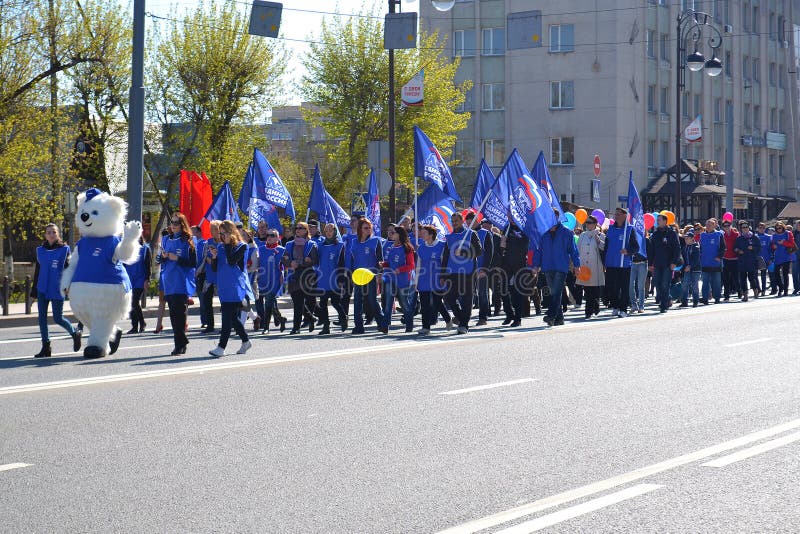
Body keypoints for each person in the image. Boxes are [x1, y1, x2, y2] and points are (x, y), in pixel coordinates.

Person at [31, 223, 82, 358]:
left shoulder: (64, 250)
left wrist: (68, 286)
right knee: (42, 319)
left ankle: (75, 333)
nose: (51, 234)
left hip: (57, 289)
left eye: (54, 232)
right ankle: (46, 347)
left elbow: (68, 270)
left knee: (58, 318)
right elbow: (37, 272)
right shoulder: (40, 251)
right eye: (49, 232)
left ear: (58, 234)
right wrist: (33, 293)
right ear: (45, 235)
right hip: (42, 288)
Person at [208, 221, 253, 357]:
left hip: (235, 287)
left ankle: (221, 347)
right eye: (220, 234)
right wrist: (215, 257)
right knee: (233, 318)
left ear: (231, 232)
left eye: (224, 233)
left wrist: (227, 245)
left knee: (226, 317)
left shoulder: (242, 246)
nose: (221, 236)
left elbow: (233, 261)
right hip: (224, 287)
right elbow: (215, 268)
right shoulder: (221, 246)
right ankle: (246, 341)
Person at [533, 210, 581, 326]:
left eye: (553, 217)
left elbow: (574, 251)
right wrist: (536, 265)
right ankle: (559, 318)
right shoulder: (543, 233)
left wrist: (577, 265)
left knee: (557, 291)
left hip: (561, 266)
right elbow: (538, 251)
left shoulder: (567, 233)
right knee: (554, 292)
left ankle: (551, 315)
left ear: (558, 218)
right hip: (547, 266)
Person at [160, 213, 196, 355]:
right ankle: (182, 342)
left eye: (176, 223)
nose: (173, 225)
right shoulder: (165, 239)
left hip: (181, 282)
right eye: (172, 222)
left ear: (182, 224)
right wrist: (163, 257)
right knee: (173, 316)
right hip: (169, 281)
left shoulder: (188, 241)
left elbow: (193, 263)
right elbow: (159, 260)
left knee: (180, 315)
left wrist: (177, 258)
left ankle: (179, 344)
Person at [441, 212, 483, 334]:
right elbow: (446, 257)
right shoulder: (449, 237)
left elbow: (479, 251)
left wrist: (464, 252)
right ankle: (460, 317)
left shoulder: (471, 234)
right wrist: (443, 274)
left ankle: (464, 325)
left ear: (462, 221)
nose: (454, 223)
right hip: (452, 272)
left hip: (468, 272)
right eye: (452, 221)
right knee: (449, 297)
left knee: (467, 299)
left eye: (456, 221)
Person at [349, 218, 387, 334]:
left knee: (371, 300)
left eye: (370, 227)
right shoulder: (354, 242)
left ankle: (382, 324)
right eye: (366, 228)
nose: (369, 230)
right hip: (358, 275)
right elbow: (352, 259)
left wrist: (380, 274)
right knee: (357, 301)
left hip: (371, 275)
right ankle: (358, 326)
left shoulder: (376, 241)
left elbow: (381, 260)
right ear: (360, 229)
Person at [282, 221, 319, 334]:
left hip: (308, 275)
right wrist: (290, 262)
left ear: (306, 230)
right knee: (297, 302)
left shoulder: (311, 244)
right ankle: (296, 326)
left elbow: (315, 260)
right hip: (294, 275)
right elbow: (284, 259)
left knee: (310, 300)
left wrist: (301, 263)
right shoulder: (289, 244)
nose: (298, 229)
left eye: (301, 228)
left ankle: (309, 319)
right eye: (296, 228)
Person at [604, 207, 639, 318]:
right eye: (616, 214)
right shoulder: (611, 229)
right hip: (611, 263)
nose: (616, 216)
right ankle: (615, 306)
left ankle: (623, 309)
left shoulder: (629, 229)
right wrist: (604, 261)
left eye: (618, 214)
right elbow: (606, 246)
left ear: (625, 216)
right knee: (611, 287)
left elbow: (636, 247)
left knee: (623, 287)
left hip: (624, 264)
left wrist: (628, 251)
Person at [416, 225, 449, 335]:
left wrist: (444, 277)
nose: (421, 234)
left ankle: (448, 319)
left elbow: (444, 263)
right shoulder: (420, 247)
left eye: (424, 233)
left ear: (431, 234)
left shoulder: (441, 245)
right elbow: (418, 266)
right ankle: (426, 327)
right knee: (424, 304)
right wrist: (415, 281)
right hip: (424, 279)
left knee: (437, 302)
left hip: (437, 278)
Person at [316, 223, 347, 335]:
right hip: (323, 278)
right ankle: (326, 326)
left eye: (330, 230)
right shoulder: (320, 245)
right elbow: (316, 260)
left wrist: (341, 279)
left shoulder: (340, 245)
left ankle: (343, 318)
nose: (328, 232)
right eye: (326, 230)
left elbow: (343, 263)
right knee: (323, 303)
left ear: (334, 231)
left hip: (335, 278)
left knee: (335, 302)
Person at [384, 226, 416, 332]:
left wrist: (400, 270)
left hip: (403, 280)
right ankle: (385, 326)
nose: (391, 234)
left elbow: (411, 265)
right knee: (388, 303)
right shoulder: (391, 247)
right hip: (390, 279)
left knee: (404, 303)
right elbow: (389, 263)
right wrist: (383, 264)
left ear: (399, 234)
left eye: (394, 233)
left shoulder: (407, 248)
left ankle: (409, 325)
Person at [648, 214, 681, 313]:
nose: (657, 221)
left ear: (665, 221)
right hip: (657, 264)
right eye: (657, 220)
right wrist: (650, 264)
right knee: (657, 284)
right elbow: (651, 250)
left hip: (668, 264)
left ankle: (664, 304)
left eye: (659, 220)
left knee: (665, 284)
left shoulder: (671, 233)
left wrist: (674, 262)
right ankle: (665, 300)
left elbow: (677, 248)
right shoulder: (655, 234)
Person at [255, 227, 286, 334]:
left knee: (268, 303)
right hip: (262, 279)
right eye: (268, 235)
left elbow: (285, 266)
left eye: (272, 235)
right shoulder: (261, 248)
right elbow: (257, 263)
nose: (269, 237)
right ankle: (281, 319)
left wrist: (283, 274)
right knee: (270, 304)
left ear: (278, 238)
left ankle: (266, 327)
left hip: (275, 280)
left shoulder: (282, 250)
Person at [499, 223, 530, 327]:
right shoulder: (506, 227)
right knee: (503, 291)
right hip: (506, 265)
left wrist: (507, 244)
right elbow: (502, 248)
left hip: (518, 265)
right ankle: (509, 314)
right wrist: (502, 245)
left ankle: (518, 318)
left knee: (517, 293)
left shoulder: (523, 227)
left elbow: (525, 245)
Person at [576, 215, 606, 319]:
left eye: (589, 222)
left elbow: (604, 248)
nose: (587, 224)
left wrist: (599, 241)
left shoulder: (600, 235)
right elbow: (578, 250)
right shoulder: (583, 235)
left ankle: (596, 306)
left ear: (595, 224)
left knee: (595, 290)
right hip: (584, 266)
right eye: (587, 222)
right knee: (587, 290)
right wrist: (576, 264)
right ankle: (588, 311)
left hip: (596, 266)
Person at [124, 236, 151, 333]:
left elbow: (148, 265)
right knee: (130, 302)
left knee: (134, 301)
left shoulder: (145, 249)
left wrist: (147, 279)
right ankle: (134, 326)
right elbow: (123, 265)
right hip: (129, 279)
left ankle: (142, 323)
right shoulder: (127, 249)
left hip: (140, 279)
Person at [733, 220, 761, 301]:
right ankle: (745, 295)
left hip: (752, 261)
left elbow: (759, 248)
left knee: (752, 278)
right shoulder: (739, 238)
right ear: (741, 229)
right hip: (742, 261)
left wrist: (753, 248)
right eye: (743, 228)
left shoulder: (754, 237)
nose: (744, 229)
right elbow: (734, 248)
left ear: (749, 228)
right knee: (743, 279)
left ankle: (756, 291)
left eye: (746, 227)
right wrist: (738, 251)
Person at [699, 218, 725, 305]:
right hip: (705, 262)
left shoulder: (719, 235)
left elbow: (723, 248)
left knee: (717, 282)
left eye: (710, 225)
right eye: (706, 225)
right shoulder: (702, 235)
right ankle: (705, 298)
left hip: (716, 263)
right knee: (705, 282)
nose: (708, 227)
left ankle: (717, 298)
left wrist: (719, 257)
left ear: (714, 225)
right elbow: (700, 248)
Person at [153, 228, 170, 333]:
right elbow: (157, 262)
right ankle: (158, 325)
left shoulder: (162, 246)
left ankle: (158, 326)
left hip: (167, 276)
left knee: (163, 302)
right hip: (166, 276)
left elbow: (156, 262)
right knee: (164, 302)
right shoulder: (162, 246)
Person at [680, 230, 701, 307]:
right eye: (685, 238)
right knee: (685, 285)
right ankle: (684, 301)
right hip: (686, 269)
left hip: (695, 269)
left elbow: (696, 259)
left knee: (695, 286)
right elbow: (683, 259)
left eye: (688, 238)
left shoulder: (696, 247)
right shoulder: (684, 248)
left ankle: (695, 301)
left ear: (692, 238)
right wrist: (683, 267)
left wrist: (690, 266)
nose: (686, 240)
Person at [771, 221, 793, 297]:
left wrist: (783, 243)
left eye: (780, 227)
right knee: (776, 274)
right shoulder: (774, 235)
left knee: (785, 274)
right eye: (777, 228)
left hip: (786, 257)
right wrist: (774, 246)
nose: (778, 229)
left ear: (783, 227)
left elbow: (792, 244)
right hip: (777, 257)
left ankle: (785, 291)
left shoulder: (788, 233)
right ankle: (781, 288)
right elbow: (772, 245)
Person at [720, 220, 741, 300]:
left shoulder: (736, 234)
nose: (726, 227)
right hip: (725, 259)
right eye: (725, 226)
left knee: (736, 278)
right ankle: (726, 295)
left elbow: (739, 245)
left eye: (728, 225)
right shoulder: (722, 235)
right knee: (725, 279)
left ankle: (739, 292)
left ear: (730, 226)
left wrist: (738, 250)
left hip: (735, 259)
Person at [629, 229, 648, 314]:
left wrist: (650, 264)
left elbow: (649, 252)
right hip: (632, 264)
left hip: (642, 264)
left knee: (641, 286)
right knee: (630, 285)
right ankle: (634, 305)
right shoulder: (630, 239)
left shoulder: (646, 240)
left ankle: (641, 306)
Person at [191, 226, 207, 328]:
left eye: (194, 232)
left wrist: (199, 270)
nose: (192, 235)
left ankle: (205, 320)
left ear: (199, 233)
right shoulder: (191, 244)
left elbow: (205, 259)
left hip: (202, 274)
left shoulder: (204, 244)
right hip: (192, 275)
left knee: (203, 298)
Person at [755, 222, 773, 294]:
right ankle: (758, 289)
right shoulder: (754, 236)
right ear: (757, 229)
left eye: (763, 228)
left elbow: (770, 249)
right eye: (760, 228)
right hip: (757, 258)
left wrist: (771, 258)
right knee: (755, 275)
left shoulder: (768, 237)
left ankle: (763, 290)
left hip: (766, 258)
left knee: (763, 275)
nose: (761, 229)